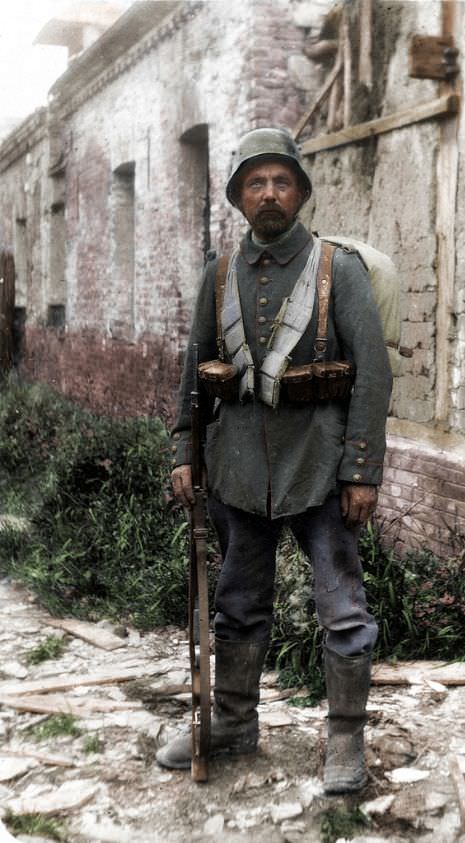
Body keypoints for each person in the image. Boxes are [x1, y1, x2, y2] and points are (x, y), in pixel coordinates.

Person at [156, 127, 393, 794]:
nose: (268, 193)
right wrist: (184, 450)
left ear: (300, 193)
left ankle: (346, 738)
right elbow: (193, 372)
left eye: (280, 181)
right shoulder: (220, 274)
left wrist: (361, 471)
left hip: (319, 469)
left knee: (343, 610)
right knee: (235, 606)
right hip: (235, 467)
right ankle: (233, 723)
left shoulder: (335, 269)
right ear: (237, 197)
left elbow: (372, 377)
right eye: (254, 182)